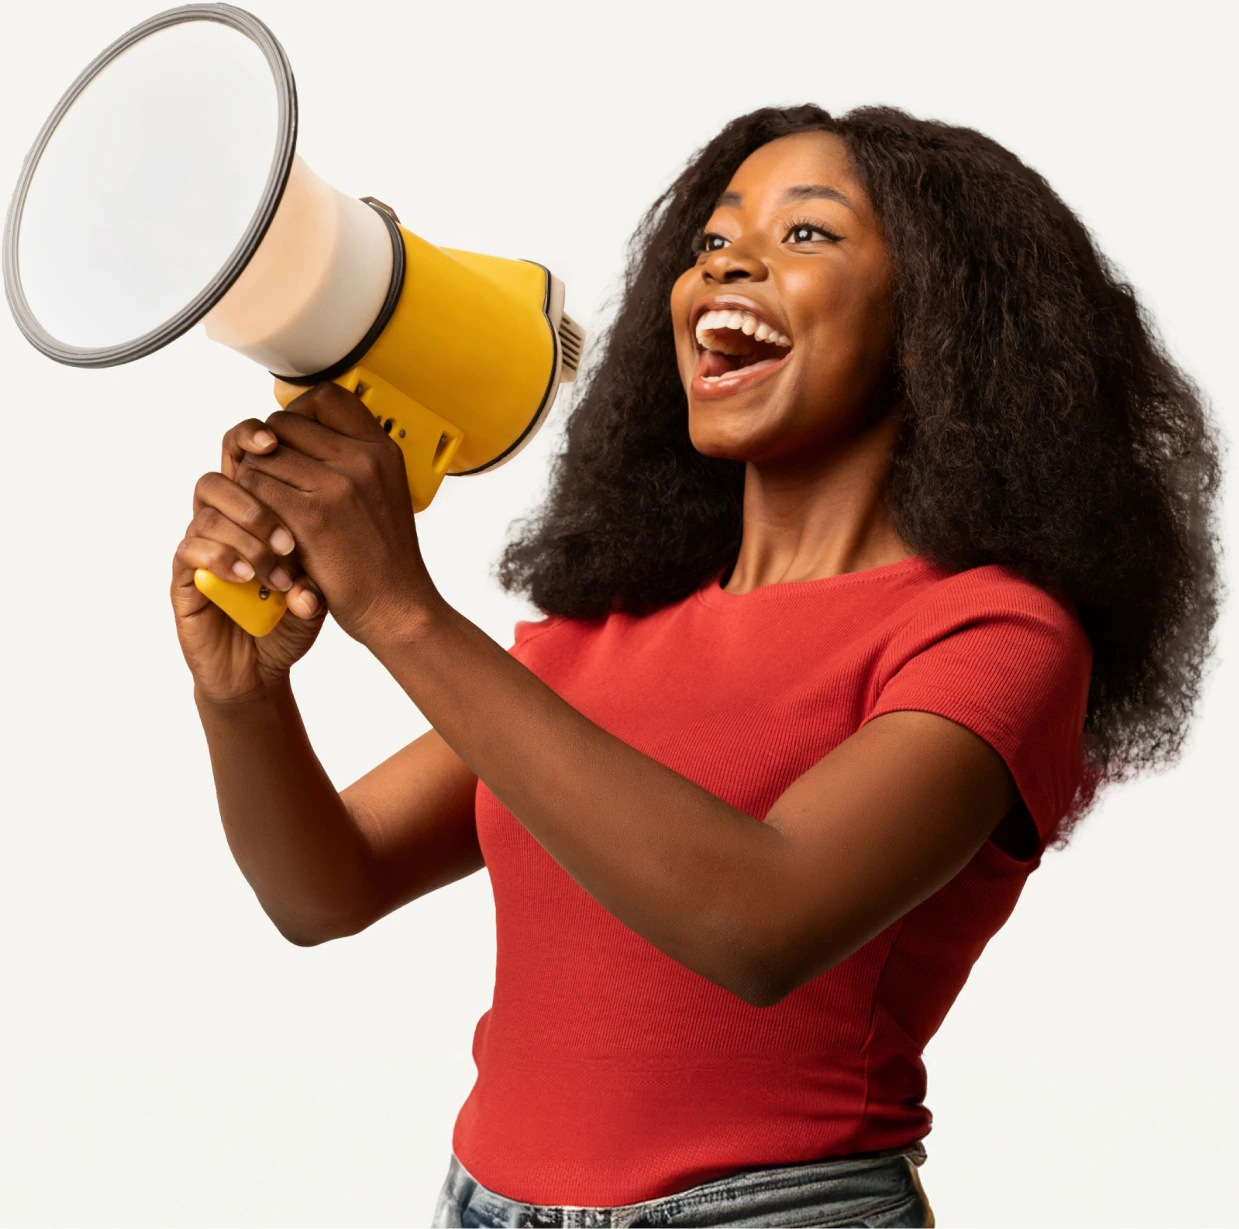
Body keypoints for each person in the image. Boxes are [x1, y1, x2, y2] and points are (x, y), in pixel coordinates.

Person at [171, 105, 1222, 1228]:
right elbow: (323, 887)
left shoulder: (994, 635)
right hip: (481, 1203)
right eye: (714, 239)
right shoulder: (602, 630)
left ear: (938, 323)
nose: (730, 260)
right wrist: (241, 693)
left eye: (808, 234)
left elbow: (759, 923)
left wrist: (397, 608)